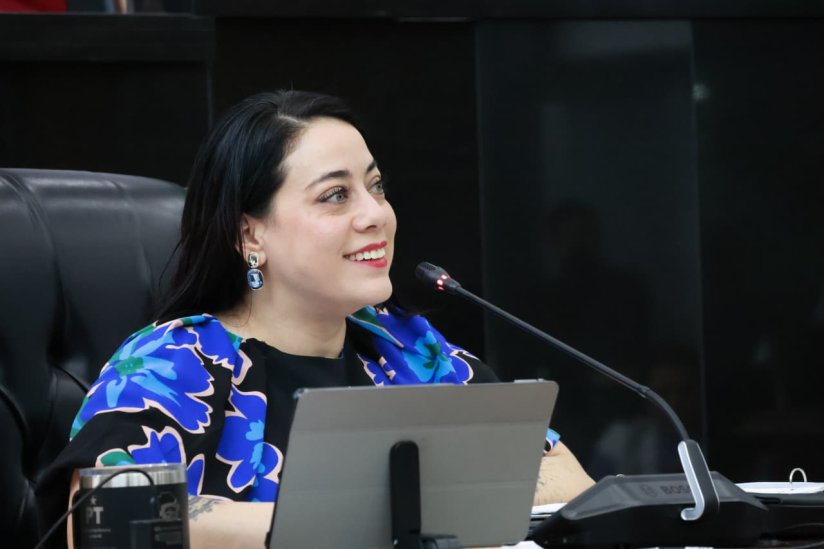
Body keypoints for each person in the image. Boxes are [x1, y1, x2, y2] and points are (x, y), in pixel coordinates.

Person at [50, 90, 594, 548]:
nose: (375, 214)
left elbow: (568, 478)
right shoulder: (175, 360)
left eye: (375, 186)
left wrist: (400, 516)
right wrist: (376, 518)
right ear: (250, 235)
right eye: (335, 196)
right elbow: (104, 518)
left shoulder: (405, 346)